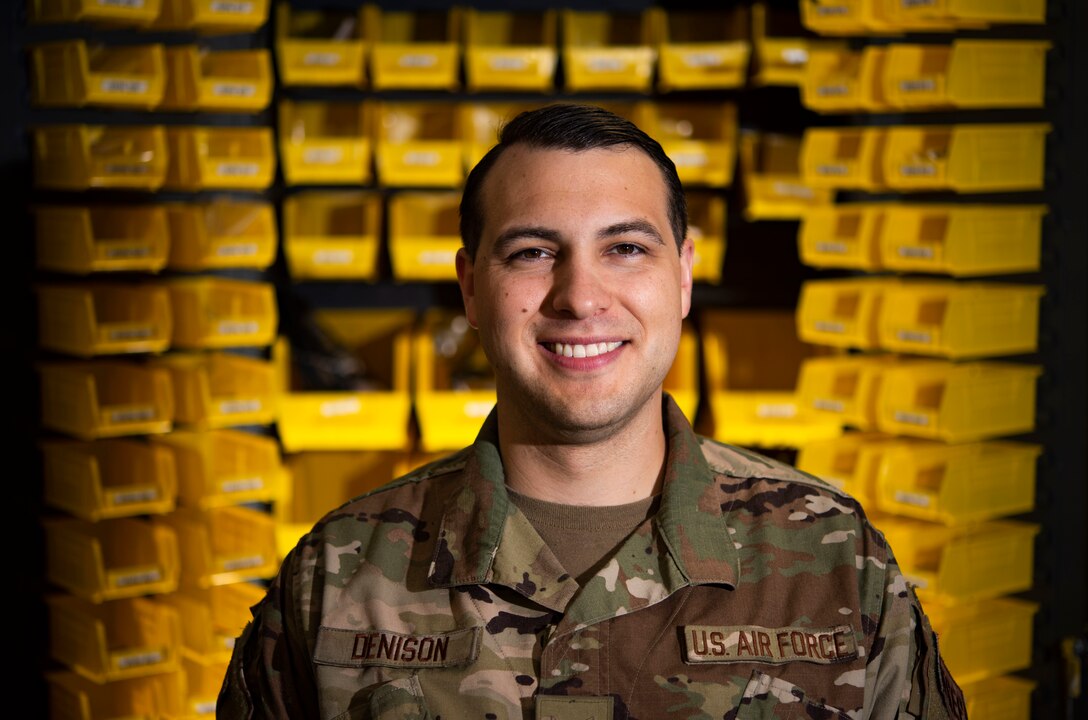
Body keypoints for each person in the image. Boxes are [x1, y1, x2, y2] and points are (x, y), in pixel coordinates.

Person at [218, 103, 967, 719]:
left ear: (683, 277)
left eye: (627, 249)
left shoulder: (839, 562)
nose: (579, 297)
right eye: (533, 252)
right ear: (471, 290)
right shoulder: (338, 577)